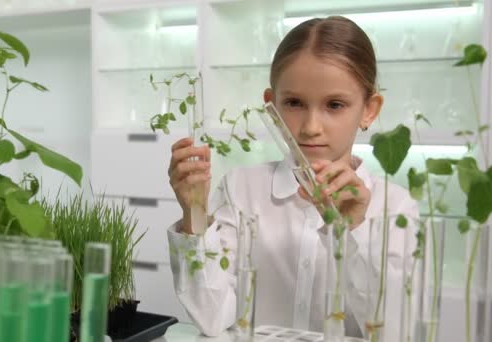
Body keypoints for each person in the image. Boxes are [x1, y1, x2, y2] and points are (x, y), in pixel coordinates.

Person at [165, 16, 418, 339]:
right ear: (272, 105)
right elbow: (211, 317)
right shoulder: (242, 188)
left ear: (369, 109)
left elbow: (392, 333)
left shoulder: (395, 208)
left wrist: (353, 228)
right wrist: (195, 212)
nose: (311, 126)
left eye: (335, 105)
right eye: (294, 103)